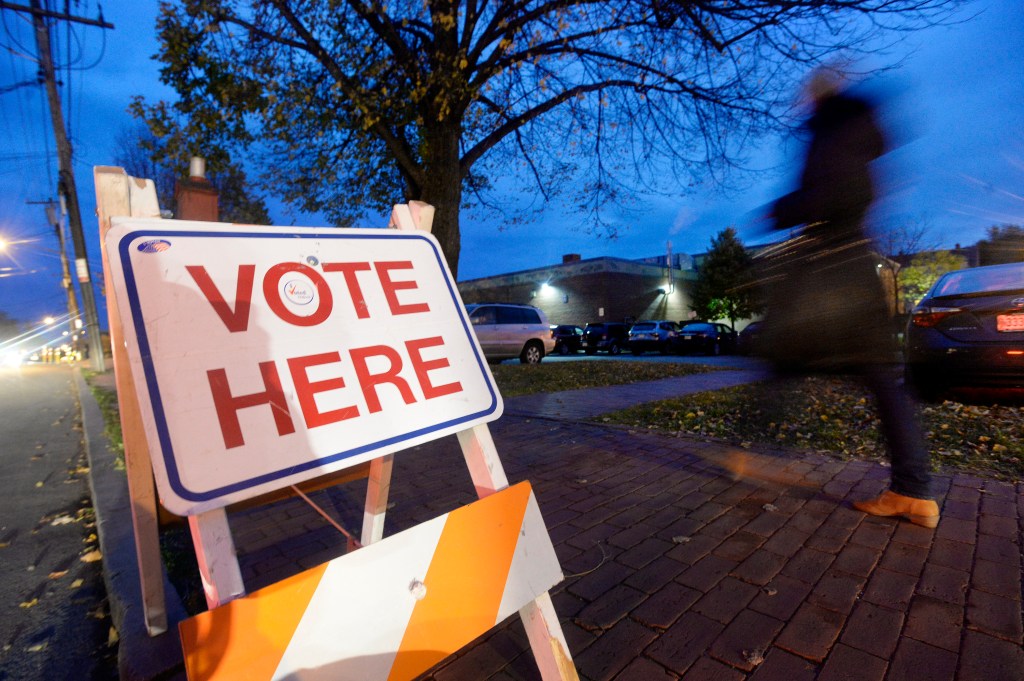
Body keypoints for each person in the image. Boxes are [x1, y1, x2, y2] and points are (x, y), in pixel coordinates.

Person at [760, 68, 938, 528]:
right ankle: (914, 491)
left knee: (787, 356)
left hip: (834, 273)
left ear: (818, 96)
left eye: (804, 95)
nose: (800, 102)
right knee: (874, 377)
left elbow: (833, 193)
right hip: (851, 264)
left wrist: (781, 210)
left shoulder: (834, 129)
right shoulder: (858, 131)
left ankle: (759, 452)